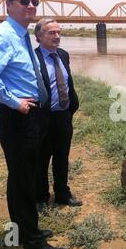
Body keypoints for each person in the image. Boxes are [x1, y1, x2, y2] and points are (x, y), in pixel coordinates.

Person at [0, 0, 66, 249]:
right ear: (8, 5)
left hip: (27, 117)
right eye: (24, 1)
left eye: (35, 2)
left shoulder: (20, 34)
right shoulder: (4, 34)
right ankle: (33, 245)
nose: (31, 6)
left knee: (21, 176)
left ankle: (22, 231)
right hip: (18, 118)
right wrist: (14, 101)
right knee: (23, 179)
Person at [34, 18, 82, 210]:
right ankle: (41, 198)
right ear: (38, 36)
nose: (57, 36)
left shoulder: (63, 55)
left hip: (63, 116)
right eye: (51, 33)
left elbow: (67, 83)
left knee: (62, 157)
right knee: (41, 159)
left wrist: (72, 106)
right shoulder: (33, 58)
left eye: (59, 32)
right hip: (43, 118)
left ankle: (62, 194)